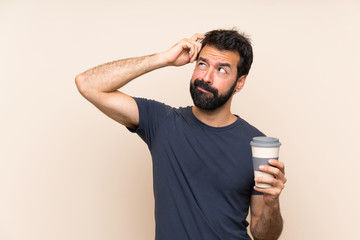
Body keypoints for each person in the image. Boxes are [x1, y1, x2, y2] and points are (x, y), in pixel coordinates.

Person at [75, 29, 287, 240]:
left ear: (239, 82)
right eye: (202, 64)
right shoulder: (161, 122)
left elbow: (264, 236)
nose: (206, 77)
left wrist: (272, 203)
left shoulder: (257, 145)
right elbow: (87, 84)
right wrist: (163, 59)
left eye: (222, 70)